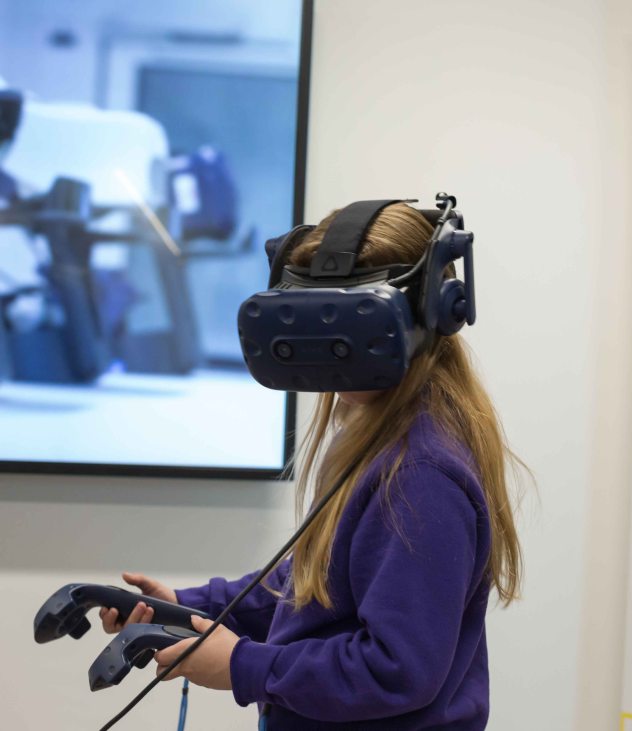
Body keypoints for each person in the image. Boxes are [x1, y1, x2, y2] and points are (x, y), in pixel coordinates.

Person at [98, 202, 524, 730]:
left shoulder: (419, 475)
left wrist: (240, 664)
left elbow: (396, 669)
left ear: (425, 315)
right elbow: (311, 586)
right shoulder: (379, 440)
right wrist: (188, 607)